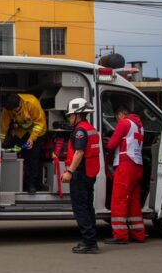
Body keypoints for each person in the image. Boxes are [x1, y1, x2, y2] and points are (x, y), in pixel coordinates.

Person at [61, 98, 101, 254]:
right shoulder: (90, 128)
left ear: (78, 115)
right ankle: (91, 240)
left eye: (70, 116)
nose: (69, 118)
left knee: (80, 209)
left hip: (80, 174)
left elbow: (79, 153)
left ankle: (89, 243)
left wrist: (69, 171)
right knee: (88, 207)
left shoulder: (79, 131)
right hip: (89, 173)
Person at [104, 106, 146, 245]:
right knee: (134, 202)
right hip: (137, 165)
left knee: (119, 200)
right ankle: (138, 234)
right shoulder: (139, 126)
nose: (116, 121)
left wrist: (106, 142)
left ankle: (120, 235)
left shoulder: (124, 123)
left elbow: (111, 144)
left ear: (121, 114)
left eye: (116, 117)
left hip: (125, 164)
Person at [0, 93, 47, 194]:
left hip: (37, 132)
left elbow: (40, 123)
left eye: (16, 111)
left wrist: (32, 138)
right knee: (12, 153)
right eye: (11, 111)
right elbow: (3, 128)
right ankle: (13, 182)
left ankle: (31, 185)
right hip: (20, 132)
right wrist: (1, 143)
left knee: (32, 157)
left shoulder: (32, 103)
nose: (14, 113)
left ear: (20, 103)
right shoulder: (7, 109)